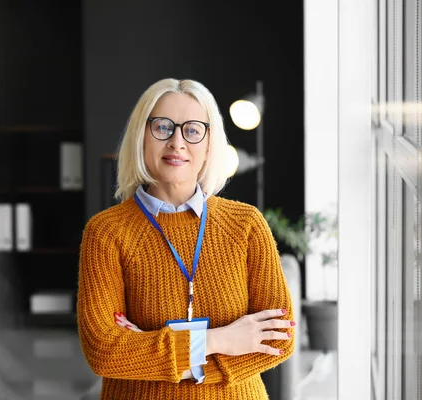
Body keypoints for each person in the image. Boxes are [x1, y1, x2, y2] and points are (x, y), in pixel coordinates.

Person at [77, 78, 295, 399]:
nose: (177, 142)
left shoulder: (246, 224)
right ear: (142, 137)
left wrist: (155, 357)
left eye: (192, 130)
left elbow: (279, 338)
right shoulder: (106, 232)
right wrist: (219, 340)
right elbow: (105, 350)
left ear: (209, 144)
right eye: (163, 127)